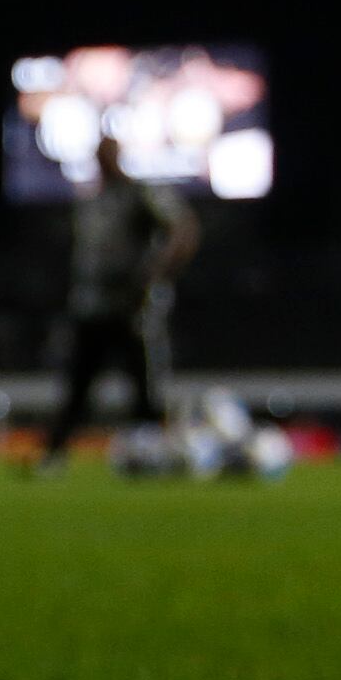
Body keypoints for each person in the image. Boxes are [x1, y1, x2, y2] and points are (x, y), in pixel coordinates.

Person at [35, 133, 198, 464]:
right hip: (91, 308)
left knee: (145, 387)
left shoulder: (139, 194)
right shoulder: (91, 200)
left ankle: (155, 455)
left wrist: (155, 274)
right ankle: (53, 456)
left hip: (132, 309)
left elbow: (183, 229)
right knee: (78, 386)